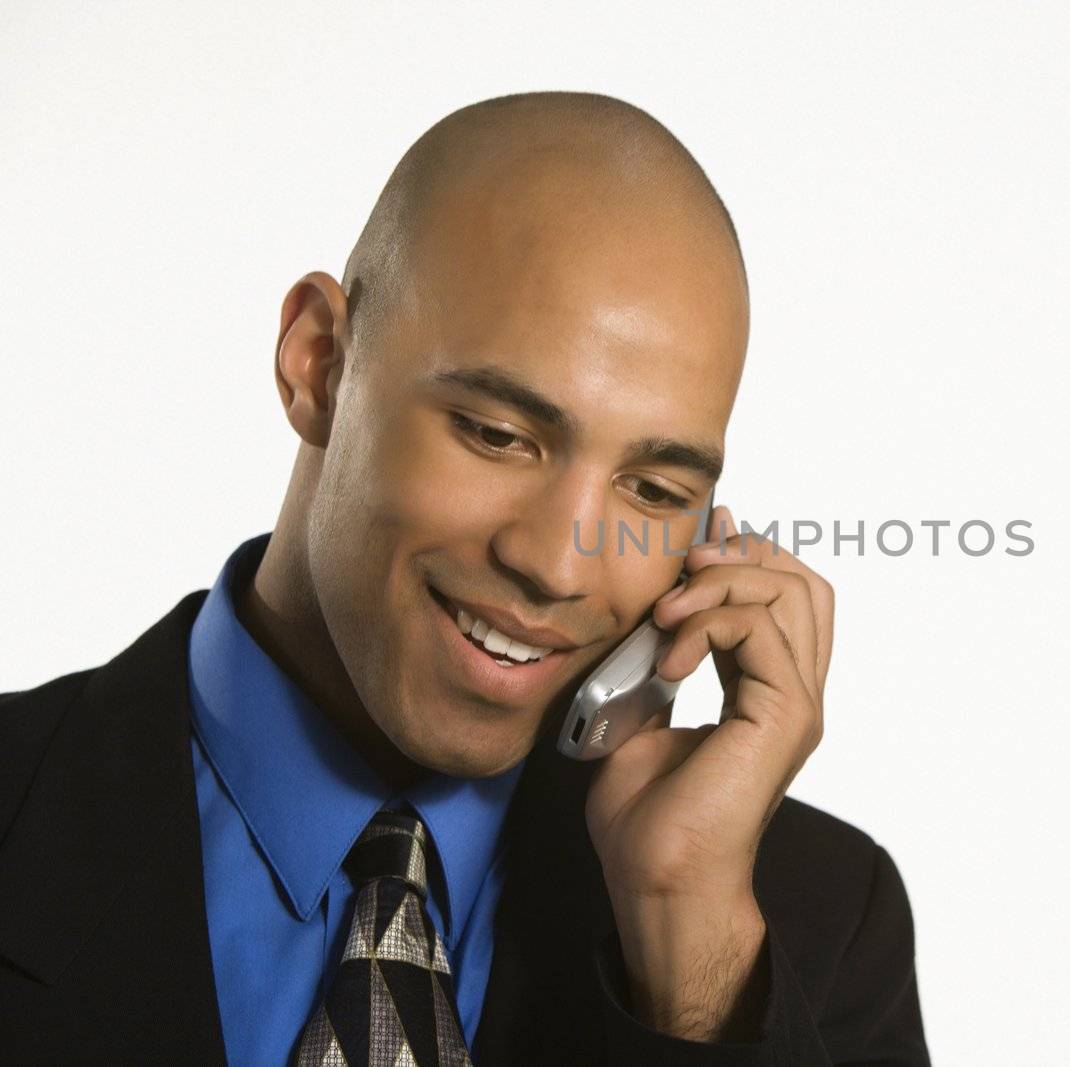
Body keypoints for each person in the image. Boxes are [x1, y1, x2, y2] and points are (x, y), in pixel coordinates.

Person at [0, 91, 930, 1066]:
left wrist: (690, 967)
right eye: (496, 433)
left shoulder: (807, 927)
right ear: (318, 364)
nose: (558, 563)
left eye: (653, 487)